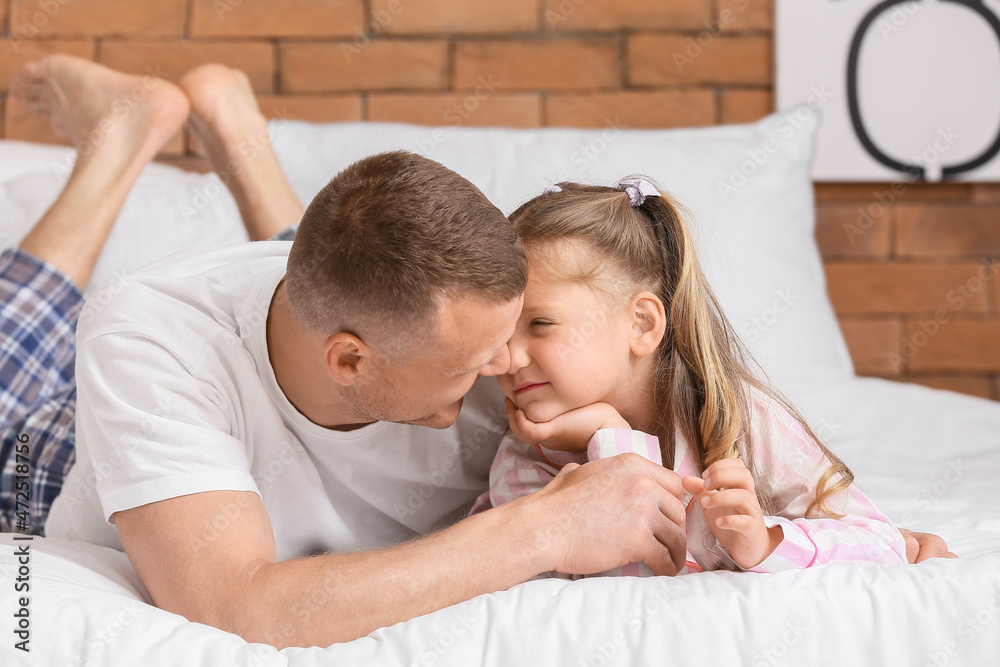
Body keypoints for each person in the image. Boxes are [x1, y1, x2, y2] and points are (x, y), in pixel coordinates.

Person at [0, 55, 953, 649]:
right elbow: (238, 607)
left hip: (338, 300)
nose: (508, 369)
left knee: (365, 281)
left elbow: (752, 459)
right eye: (476, 362)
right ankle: (120, 142)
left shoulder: (498, 338)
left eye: (524, 327)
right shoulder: (151, 339)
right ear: (351, 366)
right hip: (58, 453)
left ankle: (235, 133)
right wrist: (546, 529)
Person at [479, 179, 957, 575]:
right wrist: (611, 435)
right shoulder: (524, 465)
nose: (507, 359)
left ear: (642, 324)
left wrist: (764, 542)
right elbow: (629, 577)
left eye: (540, 324)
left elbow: (883, 542)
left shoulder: (738, 418)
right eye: (499, 336)